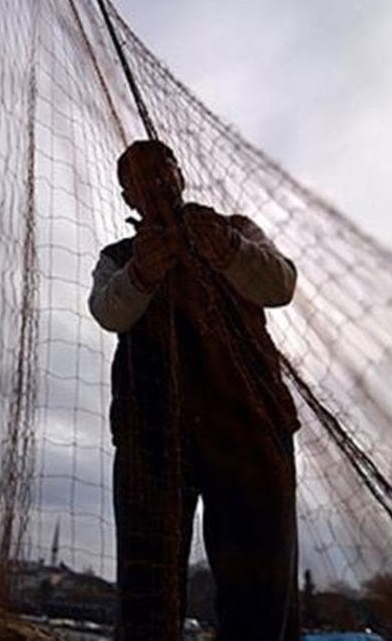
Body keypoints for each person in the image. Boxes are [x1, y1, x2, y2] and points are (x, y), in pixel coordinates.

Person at [88, 139, 300, 640]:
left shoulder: (235, 229)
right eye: (142, 181)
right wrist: (142, 272)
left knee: (260, 594)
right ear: (128, 199)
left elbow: (281, 285)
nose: (157, 184)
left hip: (251, 427)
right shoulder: (116, 257)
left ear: (180, 176)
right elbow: (106, 310)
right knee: (147, 595)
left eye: (164, 172)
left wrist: (229, 250)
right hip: (152, 436)